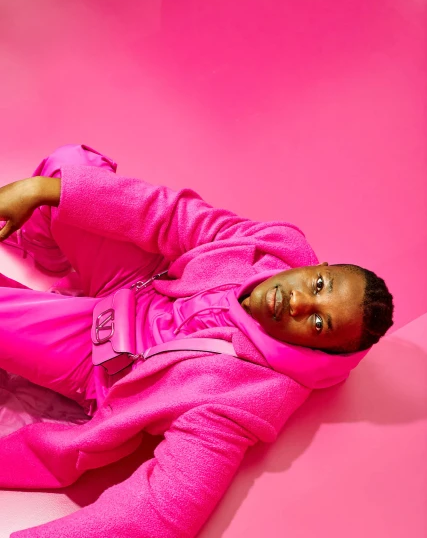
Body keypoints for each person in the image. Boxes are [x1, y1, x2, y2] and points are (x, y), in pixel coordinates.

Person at [0, 144, 394, 538]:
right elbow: (170, 215)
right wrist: (39, 191)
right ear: (318, 266)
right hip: (138, 281)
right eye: (319, 284)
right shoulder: (276, 247)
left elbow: (160, 513)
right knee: (68, 170)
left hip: (98, 358)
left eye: (319, 323)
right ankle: (41, 245)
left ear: (316, 349)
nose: (299, 302)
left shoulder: (248, 396)